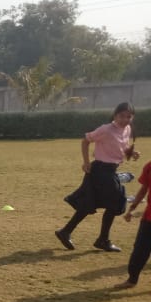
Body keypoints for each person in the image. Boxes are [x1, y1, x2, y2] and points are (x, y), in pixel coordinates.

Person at [56, 102, 140, 252]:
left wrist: (131, 153)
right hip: (100, 171)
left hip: (110, 171)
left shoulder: (127, 129)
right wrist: (86, 162)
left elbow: (122, 147)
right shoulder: (106, 129)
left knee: (90, 204)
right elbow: (85, 141)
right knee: (116, 201)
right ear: (115, 115)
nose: (125, 119)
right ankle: (102, 240)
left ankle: (66, 232)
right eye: (121, 116)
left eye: (129, 116)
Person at [119, 159, 151, 287]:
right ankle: (132, 279)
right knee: (140, 249)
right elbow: (144, 189)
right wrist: (132, 208)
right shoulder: (149, 166)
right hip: (149, 217)